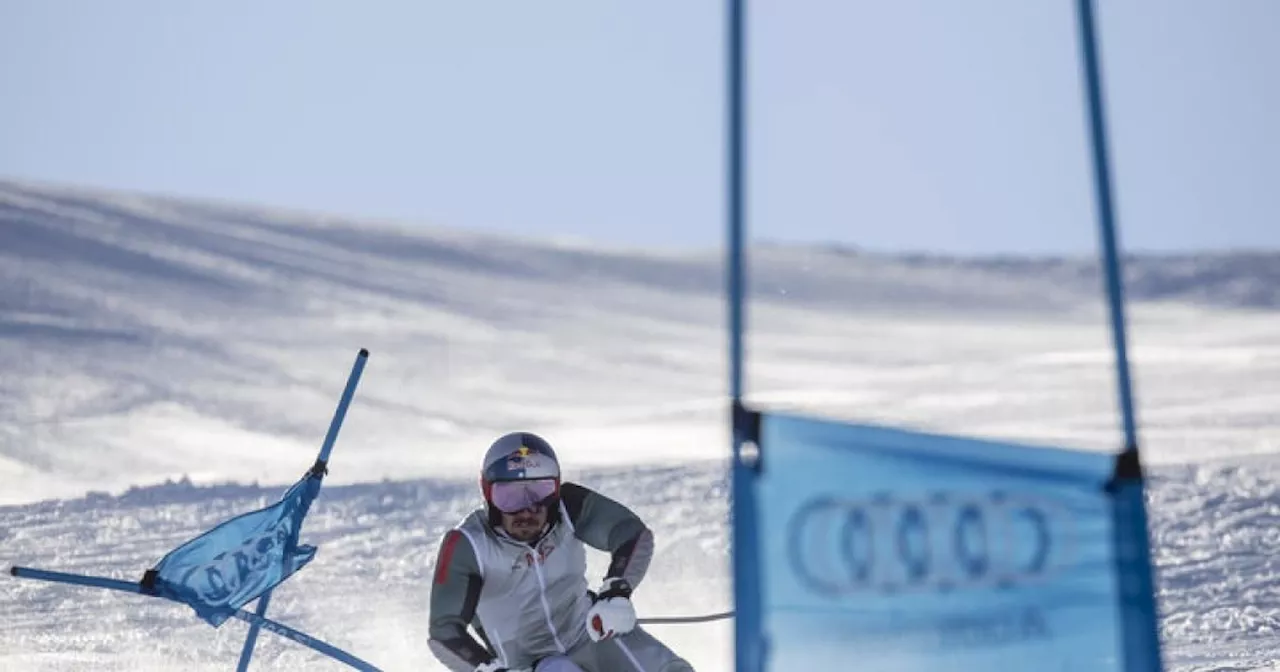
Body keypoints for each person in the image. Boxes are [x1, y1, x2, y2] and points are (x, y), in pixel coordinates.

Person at [428, 431, 695, 672]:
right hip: (526, 664)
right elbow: (444, 630)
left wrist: (616, 592)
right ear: (489, 497)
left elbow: (630, 533)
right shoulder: (468, 544)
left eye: (539, 492)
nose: (527, 510)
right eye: (509, 496)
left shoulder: (568, 508)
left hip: (589, 633)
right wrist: (486, 668)